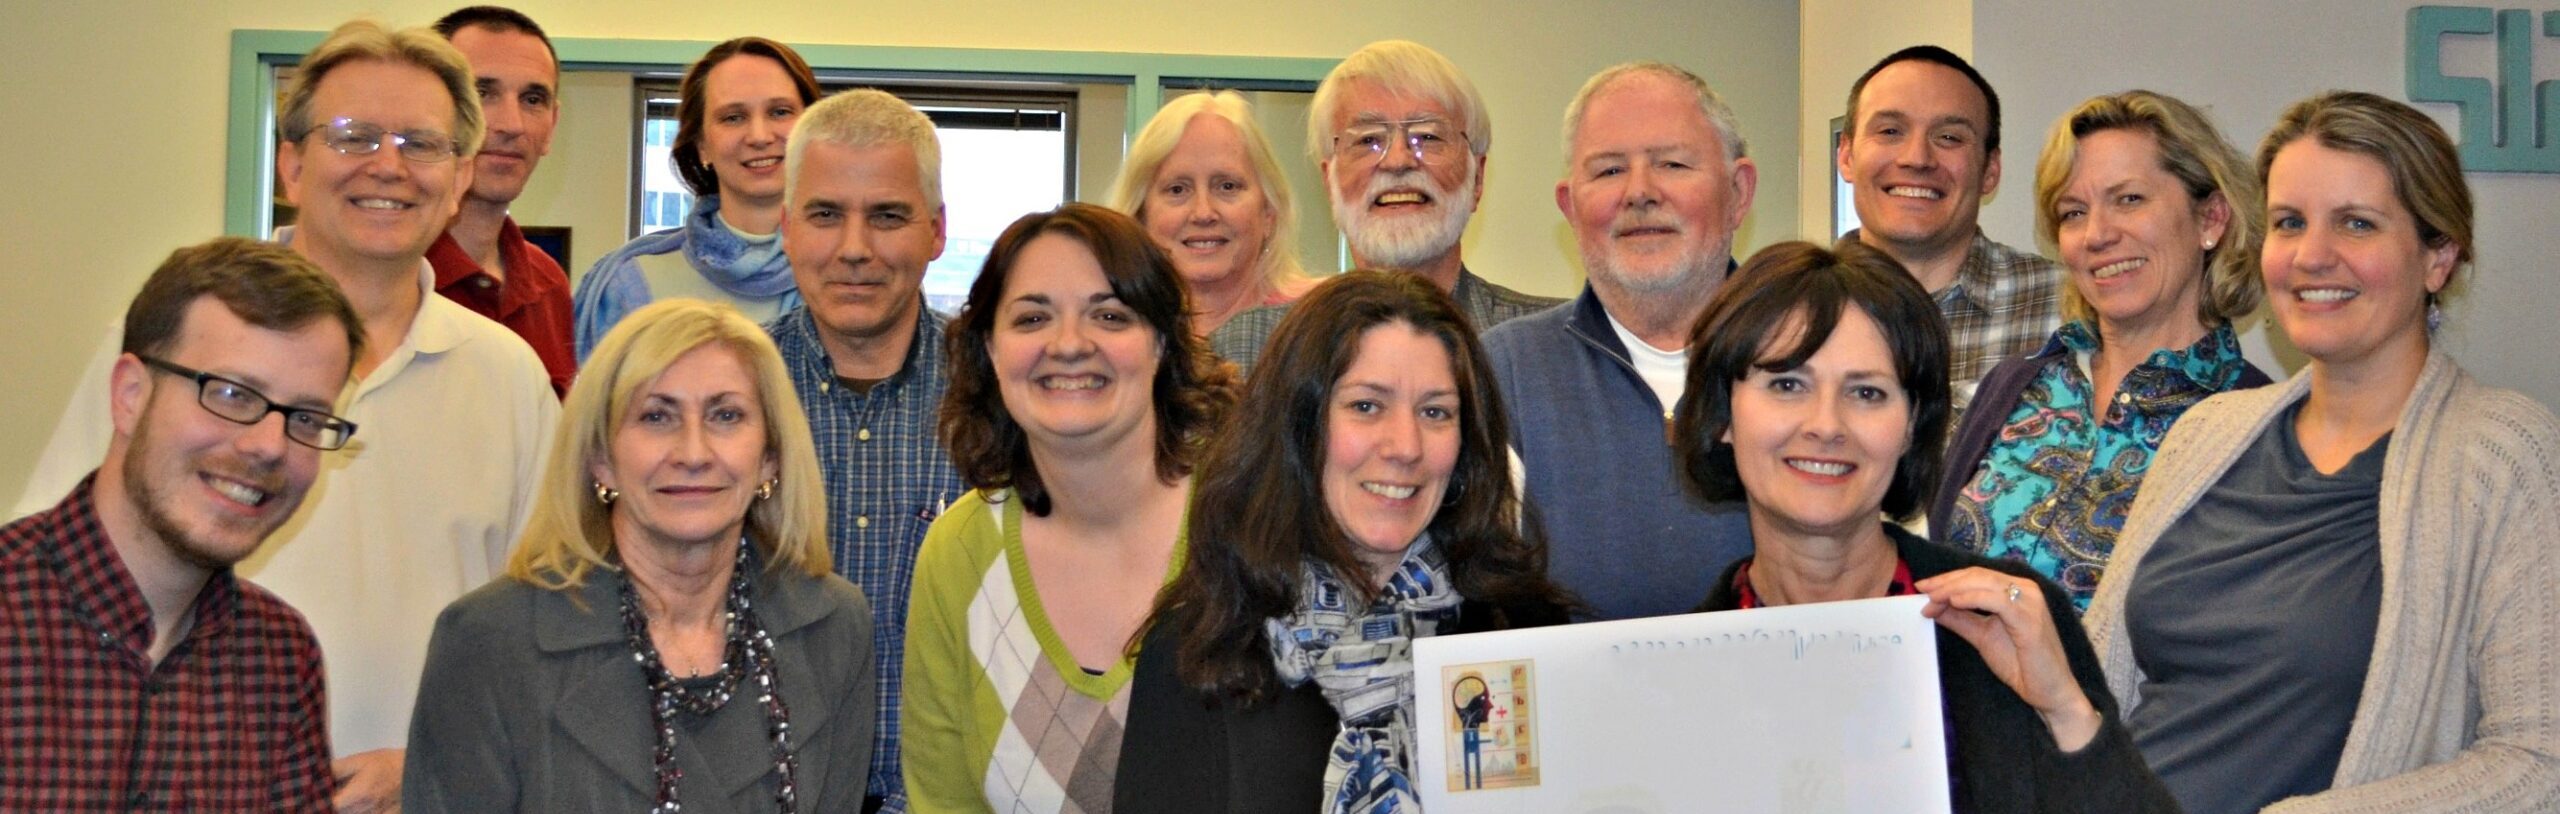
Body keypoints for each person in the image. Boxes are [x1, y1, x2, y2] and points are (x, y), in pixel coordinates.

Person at [12, 21, 560, 811]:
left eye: (420, 143)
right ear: (292, 162)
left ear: (459, 175)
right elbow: (51, 601)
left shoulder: (508, 376)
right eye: (354, 136)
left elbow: (550, 628)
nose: (389, 166)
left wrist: (434, 760)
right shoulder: (173, 343)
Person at [2088, 91, 2560, 813]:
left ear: (2438, 256)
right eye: (2289, 223)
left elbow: (2539, 763)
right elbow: (2097, 692)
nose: (2312, 256)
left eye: (2357, 224)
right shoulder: (2207, 433)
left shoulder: (2500, 455)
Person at [1676, 241, 2176, 813]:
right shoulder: (1675, 673)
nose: (1826, 425)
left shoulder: (2009, 620)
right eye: (1787, 384)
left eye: (1867, 393)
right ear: (1724, 415)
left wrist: (2065, 710)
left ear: (1913, 425)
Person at [1117, 270, 1573, 814]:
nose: (1405, 446)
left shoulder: (1520, 631)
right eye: (1366, 406)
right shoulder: (1202, 645)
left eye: (1435, 412)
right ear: (1298, 425)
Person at [404, 299, 876, 812]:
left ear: (769, 458)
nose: (693, 454)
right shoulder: (489, 642)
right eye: (656, 416)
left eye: (726, 415)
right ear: (601, 460)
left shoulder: (834, 626)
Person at [1, 238, 360, 811]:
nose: (268, 445)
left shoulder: (280, 658)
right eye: (232, 394)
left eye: (307, 418)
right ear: (130, 396)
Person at [902, 203, 1235, 813]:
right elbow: (942, 801)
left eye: (1109, 315)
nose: (1070, 345)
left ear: (1160, 343)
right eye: (1032, 318)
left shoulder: (1246, 523)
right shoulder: (957, 554)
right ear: (990, 350)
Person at [1930, 90, 2271, 611]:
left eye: (2129, 199)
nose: (2097, 235)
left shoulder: (2258, 427)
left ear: (2211, 219)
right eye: (2073, 212)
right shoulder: (2015, 386)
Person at [1483, 61, 1756, 621]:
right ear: (1569, 206)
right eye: (1608, 172)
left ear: (1738, 192)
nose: (1639, 193)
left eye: (1672, 164)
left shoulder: (1809, 359)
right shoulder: (1500, 371)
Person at [769, 87, 969, 814]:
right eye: (826, 215)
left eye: (887, 216)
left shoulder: (1004, 397)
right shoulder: (728, 398)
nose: (855, 248)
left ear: (936, 230)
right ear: (786, 226)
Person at [1210, 40, 1561, 370]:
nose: (1398, 161)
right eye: (1368, 140)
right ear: (1329, 182)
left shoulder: (1549, 347)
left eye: (1427, 136)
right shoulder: (1251, 349)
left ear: (1478, 178)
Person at [1835, 45, 2062, 412]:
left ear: (1990, 170)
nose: (1916, 159)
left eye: (1950, 138)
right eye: (1890, 131)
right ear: (1846, 156)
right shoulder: (1777, 313)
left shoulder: (2072, 310)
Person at [575, 37, 821, 359]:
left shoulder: (858, 272)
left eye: (780, 112)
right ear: (702, 144)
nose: (760, 136)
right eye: (733, 117)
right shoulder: (629, 283)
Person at [428, 6, 576, 395]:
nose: (512, 124)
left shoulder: (550, 287)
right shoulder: (385, 274)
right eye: (482, 93)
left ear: (551, 127)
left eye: (532, 99)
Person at [1106, 90, 1312, 335]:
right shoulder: (1108, 334)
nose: (1203, 213)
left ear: (1268, 211)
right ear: (1139, 217)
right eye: (1177, 189)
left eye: (1227, 186)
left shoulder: (1320, 320)